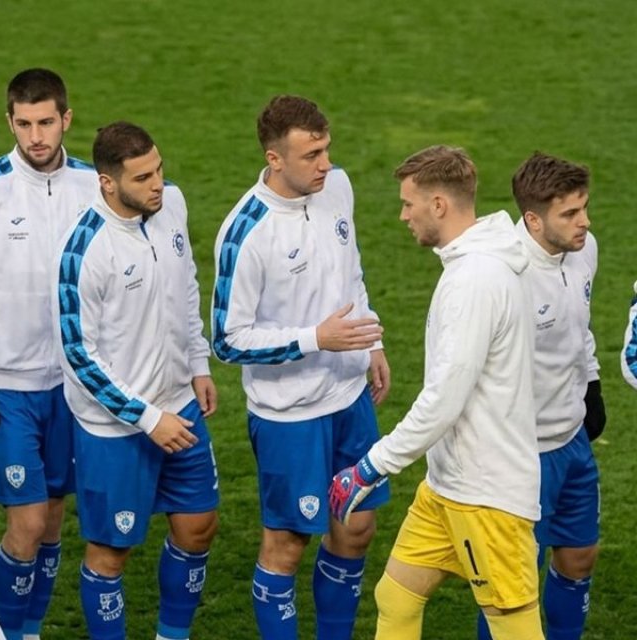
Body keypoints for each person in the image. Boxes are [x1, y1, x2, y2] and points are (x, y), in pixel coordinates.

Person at [329, 145, 543, 640]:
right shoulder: (474, 264)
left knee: (515, 627)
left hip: (486, 496)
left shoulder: (475, 280)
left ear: (439, 205)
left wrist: (371, 466)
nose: (403, 215)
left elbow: (445, 398)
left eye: (409, 204)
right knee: (397, 596)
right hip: (448, 486)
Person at [211, 95, 388, 640]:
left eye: (326, 149)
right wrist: (317, 339)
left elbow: (349, 269)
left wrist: (369, 338)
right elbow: (227, 339)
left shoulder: (336, 188)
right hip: (290, 415)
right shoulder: (245, 233)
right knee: (287, 543)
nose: (325, 163)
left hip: (349, 398)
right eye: (311, 154)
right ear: (274, 158)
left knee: (356, 529)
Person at [0, 68, 97, 640]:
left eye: (47, 123)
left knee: (54, 522)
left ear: (66, 120)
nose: (36, 136)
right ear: (10, 122)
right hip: (3, 386)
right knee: (27, 523)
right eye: (25, 124)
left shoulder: (92, 185)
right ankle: (3, 632)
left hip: (72, 384)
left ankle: (27, 630)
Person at [55, 122, 218, 640]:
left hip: (180, 404)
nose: (158, 185)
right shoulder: (84, 250)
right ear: (107, 182)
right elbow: (79, 355)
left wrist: (198, 362)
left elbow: (186, 285)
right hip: (117, 428)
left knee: (198, 527)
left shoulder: (171, 205)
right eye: (143, 177)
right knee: (111, 551)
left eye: (160, 170)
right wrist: (148, 419)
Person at [471, 152, 601, 640]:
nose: (583, 222)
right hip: (520, 452)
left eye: (584, 208)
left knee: (578, 556)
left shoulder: (584, 248)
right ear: (532, 218)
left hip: (571, 439)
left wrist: (592, 384)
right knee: (511, 583)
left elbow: (579, 326)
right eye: (569, 214)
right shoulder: (504, 278)